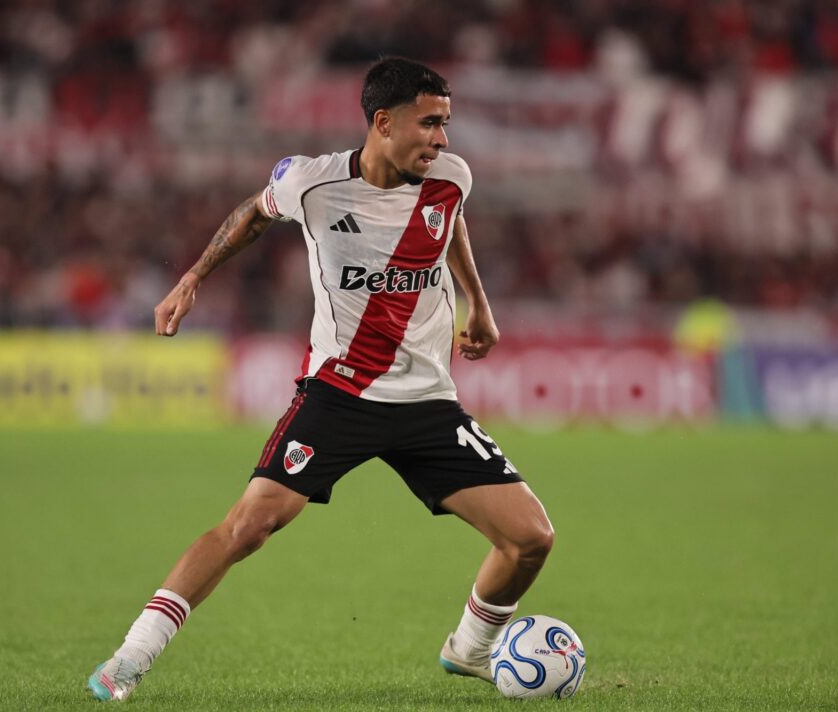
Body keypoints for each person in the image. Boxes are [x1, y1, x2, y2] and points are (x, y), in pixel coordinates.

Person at [87, 57, 555, 702]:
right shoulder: (313, 183)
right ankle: (130, 658)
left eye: (447, 124)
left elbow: (450, 224)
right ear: (383, 123)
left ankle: (468, 650)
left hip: (427, 402)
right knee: (248, 526)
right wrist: (193, 276)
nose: (443, 139)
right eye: (430, 124)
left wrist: (479, 302)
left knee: (531, 539)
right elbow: (252, 212)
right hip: (340, 395)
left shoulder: (451, 177)